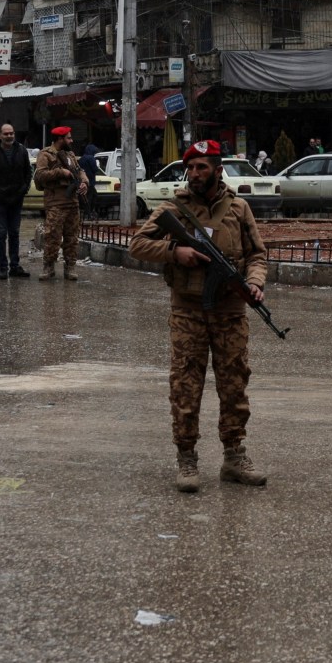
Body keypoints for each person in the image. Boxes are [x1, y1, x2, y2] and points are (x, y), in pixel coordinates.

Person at [129, 140, 270, 492]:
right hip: (188, 311)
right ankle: (187, 458)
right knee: (186, 387)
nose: (194, 173)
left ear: (218, 170)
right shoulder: (173, 209)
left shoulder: (239, 208)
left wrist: (254, 283)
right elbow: (137, 245)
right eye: (190, 168)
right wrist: (175, 251)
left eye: (201, 167)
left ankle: (234, 457)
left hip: (230, 312)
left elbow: (257, 255)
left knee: (234, 386)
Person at [33, 125, 86, 280]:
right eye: (68, 138)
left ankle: (70, 267)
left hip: (72, 203)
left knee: (72, 238)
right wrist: (60, 172)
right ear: (60, 139)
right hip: (55, 204)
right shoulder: (45, 155)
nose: (71, 140)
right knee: (52, 238)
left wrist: (84, 182)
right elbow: (40, 175)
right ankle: (48, 267)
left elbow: (80, 170)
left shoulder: (70, 154)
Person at [0, 123, 33, 279]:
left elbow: (28, 172)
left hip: (16, 199)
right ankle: (2, 267)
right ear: (0, 135)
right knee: (1, 233)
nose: (9, 136)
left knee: (15, 233)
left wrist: (24, 189)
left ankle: (15, 266)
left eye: (11, 133)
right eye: (6, 133)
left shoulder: (21, 150)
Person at [79, 140, 101, 217]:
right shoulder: (91, 158)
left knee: (89, 196)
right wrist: (97, 166)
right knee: (91, 197)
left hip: (83, 181)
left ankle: (88, 212)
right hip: (90, 181)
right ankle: (88, 213)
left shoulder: (82, 158)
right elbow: (95, 169)